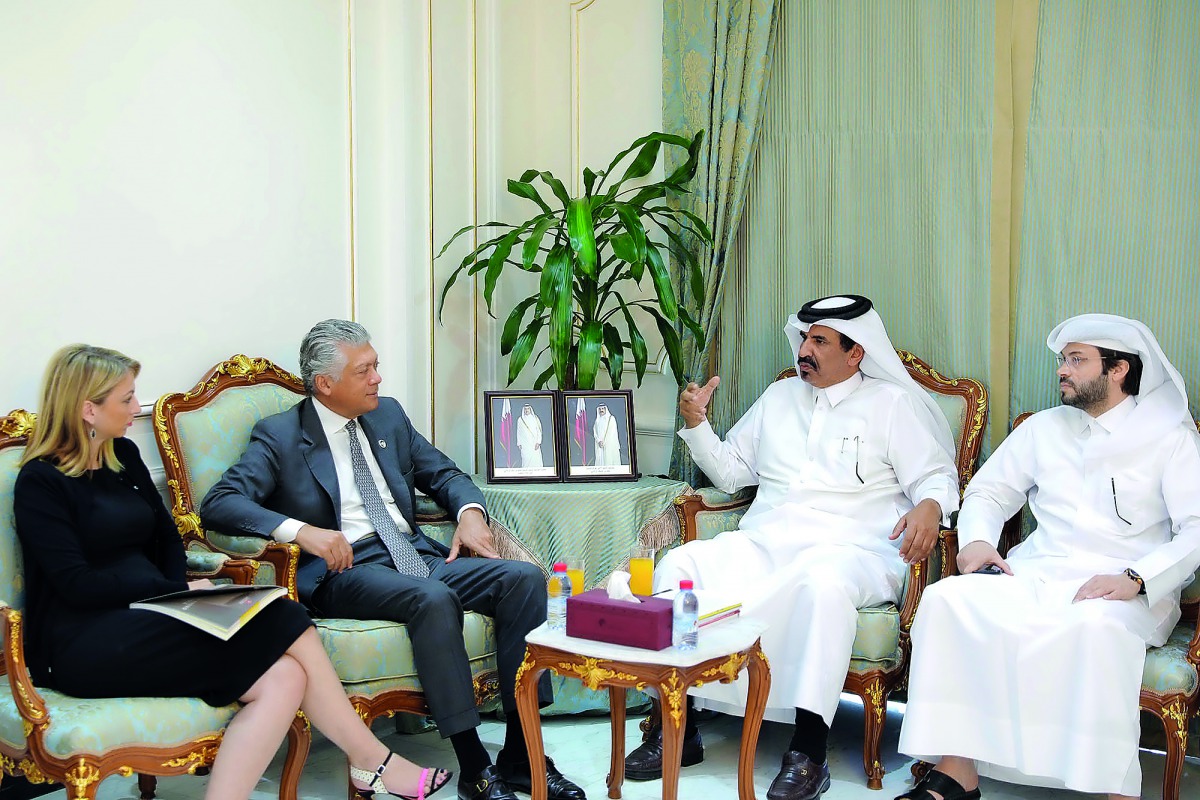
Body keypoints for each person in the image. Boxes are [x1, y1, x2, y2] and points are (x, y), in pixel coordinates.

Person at [13, 344, 452, 800]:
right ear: (88, 408)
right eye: (125, 399)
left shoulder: (122, 456)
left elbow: (165, 539)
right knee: (282, 618)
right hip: (84, 638)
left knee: (285, 676)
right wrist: (171, 590)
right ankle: (371, 762)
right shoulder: (41, 482)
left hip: (152, 611)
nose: (133, 408)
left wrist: (176, 592)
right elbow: (76, 584)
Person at [200, 319, 586, 800]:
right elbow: (220, 502)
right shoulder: (280, 436)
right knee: (432, 597)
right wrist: (304, 533)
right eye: (365, 370)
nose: (378, 378)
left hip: (416, 556)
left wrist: (468, 513)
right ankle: (474, 766)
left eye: (376, 366)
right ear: (325, 384)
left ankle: (522, 753)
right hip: (348, 571)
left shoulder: (388, 417)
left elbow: (444, 473)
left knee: (524, 579)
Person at [625, 295, 959, 800]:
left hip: (855, 549)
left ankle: (809, 752)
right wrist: (697, 425)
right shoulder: (781, 397)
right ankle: (681, 725)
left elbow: (936, 476)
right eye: (804, 338)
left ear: (855, 353)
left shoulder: (893, 405)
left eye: (819, 341)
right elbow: (734, 471)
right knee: (683, 564)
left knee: (820, 585)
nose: (804, 349)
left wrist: (930, 507)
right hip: (768, 541)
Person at [897, 313, 1200, 800]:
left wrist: (1137, 578)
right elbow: (989, 493)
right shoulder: (1043, 428)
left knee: (1096, 629)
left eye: (1077, 360)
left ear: (1118, 369)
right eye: (1063, 360)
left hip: (1124, 589)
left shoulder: (1171, 437)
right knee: (948, 601)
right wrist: (977, 540)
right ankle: (956, 773)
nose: (1063, 370)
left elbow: (1196, 529)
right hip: (1037, 571)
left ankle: (1111, 790)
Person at [516, 404, 543, 468]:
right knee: (526, 460)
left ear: (530, 409)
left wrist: (538, 442)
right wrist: (519, 443)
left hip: (534, 443)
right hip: (525, 444)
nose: (526, 410)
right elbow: (518, 432)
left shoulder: (535, 418)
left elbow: (539, 431)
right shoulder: (520, 420)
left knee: (535, 460)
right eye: (525, 409)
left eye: (528, 409)